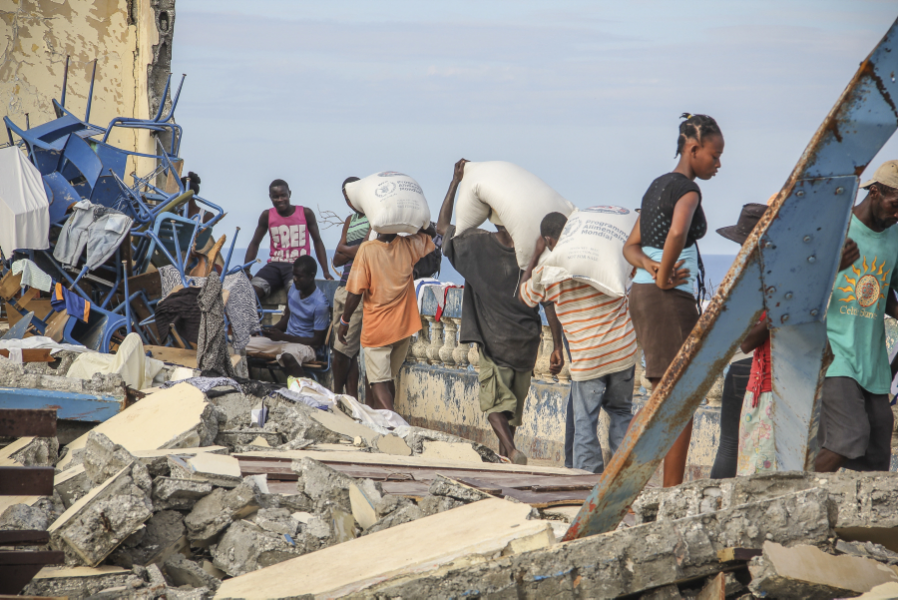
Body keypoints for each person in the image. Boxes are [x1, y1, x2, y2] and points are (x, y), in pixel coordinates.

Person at [437, 159, 562, 465]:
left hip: (494, 343)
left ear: (493, 218)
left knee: (493, 407)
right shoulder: (537, 257)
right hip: (527, 343)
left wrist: (454, 182)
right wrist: (558, 346)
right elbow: (549, 303)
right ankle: (508, 454)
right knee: (511, 411)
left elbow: (441, 228)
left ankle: (513, 451)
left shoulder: (475, 247)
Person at [623, 112, 723, 487]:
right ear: (693, 148)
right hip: (669, 301)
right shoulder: (687, 189)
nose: (718, 164)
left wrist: (650, 267)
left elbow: (629, 247)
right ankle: (668, 491)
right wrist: (664, 275)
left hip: (645, 297)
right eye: (714, 156)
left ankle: (630, 479)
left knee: (666, 396)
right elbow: (679, 231)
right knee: (677, 400)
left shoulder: (655, 187)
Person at [519, 212, 638, 473]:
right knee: (621, 414)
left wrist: (535, 255)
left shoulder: (549, 269)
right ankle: (621, 479)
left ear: (548, 239)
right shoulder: (605, 256)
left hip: (588, 358)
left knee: (585, 424)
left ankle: (586, 488)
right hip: (622, 351)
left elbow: (525, 296)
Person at [816, 160, 898, 473]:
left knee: (877, 450)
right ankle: (792, 495)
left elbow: (887, 292)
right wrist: (832, 267)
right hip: (835, 355)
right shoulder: (837, 228)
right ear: (874, 192)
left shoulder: (894, 238)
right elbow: (802, 290)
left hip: (873, 360)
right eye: (895, 204)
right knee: (848, 436)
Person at [338, 222, 436, 412]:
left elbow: (355, 292)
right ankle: (382, 423)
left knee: (378, 383)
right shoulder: (408, 245)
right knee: (386, 378)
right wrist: (419, 222)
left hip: (377, 330)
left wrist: (345, 320)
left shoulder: (367, 250)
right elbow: (433, 234)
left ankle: (394, 426)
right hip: (403, 328)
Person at [711, 203, 767, 478]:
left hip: (740, 364)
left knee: (730, 444)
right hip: (760, 366)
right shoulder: (770, 272)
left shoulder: (740, 273)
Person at [245, 179, 333, 300]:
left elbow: (317, 241)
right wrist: (246, 269)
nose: (280, 199)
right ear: (270, 197)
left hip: (297, 265)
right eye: (276, 197)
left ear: (289, 194)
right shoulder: (267, 216)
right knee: (250, 293)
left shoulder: (305, 213)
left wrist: (326, 271)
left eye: (283, 195)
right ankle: (253, 318)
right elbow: (255, 243)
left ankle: (287, 319)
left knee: (296, 295)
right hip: (275, 265)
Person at [245, 256, 330, 377]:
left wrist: (283, 336)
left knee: (288, 357)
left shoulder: (320, 304)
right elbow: (288, 317)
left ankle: (302, 389)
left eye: (299, 276)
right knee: (240, 345)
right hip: (285, 341)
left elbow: (317, 342)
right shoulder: (294, 289)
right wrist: (271, 331)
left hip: (305, 347)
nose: (294, 280)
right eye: (293, 275)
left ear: (311, 276)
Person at [331, 177, 371, 398]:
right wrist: (349, 250)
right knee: (349, 352)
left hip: (357, 290)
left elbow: (365, 251)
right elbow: (335, 259)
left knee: (342, 351)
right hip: (342, 286)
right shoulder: (350, 220)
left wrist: (345, 248)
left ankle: (336, 396)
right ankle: (351, 399)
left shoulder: (374, 218)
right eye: (345, 197)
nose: (349, 201)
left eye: (351, 195)